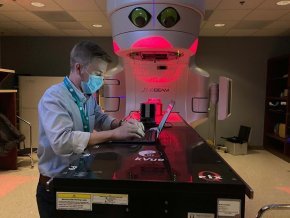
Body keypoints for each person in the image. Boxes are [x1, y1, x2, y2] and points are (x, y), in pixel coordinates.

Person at [36, 40, 145, 218]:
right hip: (56, 186)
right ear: (79, 68)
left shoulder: (87, 97)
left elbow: (100, 118)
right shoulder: (54, 98)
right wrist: (113, 134)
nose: (100, 80)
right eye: (98, 74)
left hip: (80, 179)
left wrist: (121, 124)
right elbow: (62, 142)